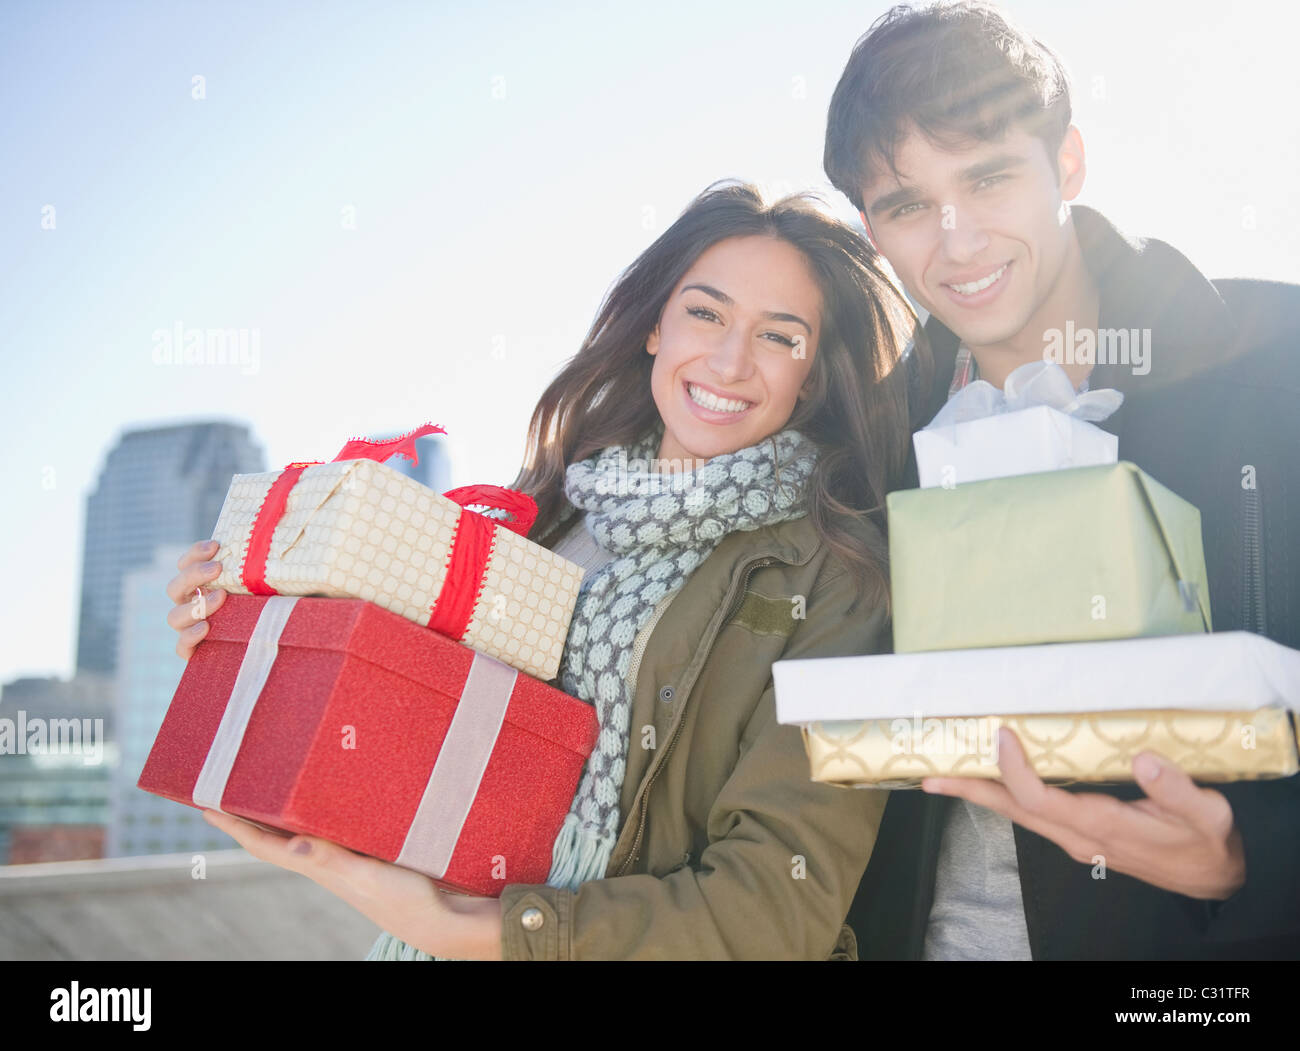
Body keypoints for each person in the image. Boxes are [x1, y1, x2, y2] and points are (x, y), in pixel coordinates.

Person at [163, 180, 926, 960]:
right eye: (706, 313)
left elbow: (774, 911)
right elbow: (401, 720)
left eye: (779, 336)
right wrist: (247, 633)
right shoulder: (548, 513)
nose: (730, 360)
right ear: (655, 327)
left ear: (814, 372)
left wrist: (462, 928)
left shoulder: (841, 582)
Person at [823, 1, 1300, 959]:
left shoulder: (1276, 363)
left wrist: (1261, 865)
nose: (956, 244)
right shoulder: (858, 454)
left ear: (1068, 164)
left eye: (989, 177)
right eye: (908, 204)